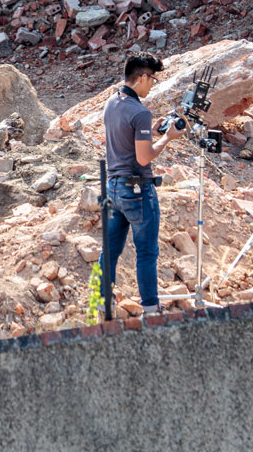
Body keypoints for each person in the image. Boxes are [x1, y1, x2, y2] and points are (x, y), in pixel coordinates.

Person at [101, 53, 182, 314]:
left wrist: (152, 130)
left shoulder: (112, 102)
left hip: (113, 187)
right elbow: (144, 156)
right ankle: (150, 309)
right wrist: (168, 137)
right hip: (137, 190)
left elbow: (126, 137)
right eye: (153, 79)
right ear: (143, 77)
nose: (153, 85)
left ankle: (100, 304)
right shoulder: (140, 112)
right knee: (146, 252)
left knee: (110, 249)